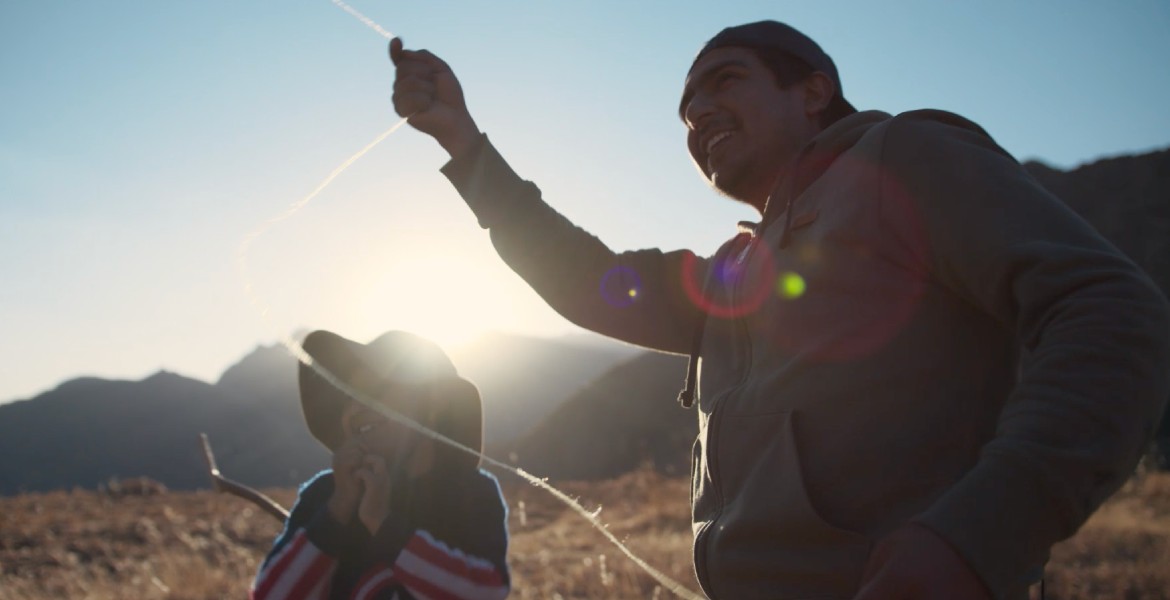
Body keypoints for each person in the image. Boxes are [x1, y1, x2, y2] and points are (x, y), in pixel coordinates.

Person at [388, 20, 1170, 600]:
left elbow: (1110, 308)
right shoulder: (735, 272)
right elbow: (585, 277)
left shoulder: (903, 158)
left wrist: (979, 535)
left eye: (724, 81)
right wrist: (463, 144)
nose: (698, 113)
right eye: (686, 109)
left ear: (813, 91)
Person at [251, 330, 510, 600]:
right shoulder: (326, 495)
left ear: (432, 405)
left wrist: (383, 524)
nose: (356, 407)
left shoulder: (470, 494)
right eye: (348, 396)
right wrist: (337, 509)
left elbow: (485, 592)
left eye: (376, 390)